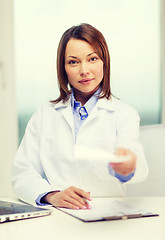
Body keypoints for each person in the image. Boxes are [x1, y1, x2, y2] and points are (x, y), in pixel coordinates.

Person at [11, 23, 148, 210]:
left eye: (92, 59)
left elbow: (134, 162)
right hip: (59, 215)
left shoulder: (124, 114)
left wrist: (127, 167)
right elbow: (22, 174)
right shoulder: (44, 115)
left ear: (104, 62)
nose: (84, 70)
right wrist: (53, 195)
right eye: (73, 62)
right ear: (63, 68)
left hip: (108, 215)